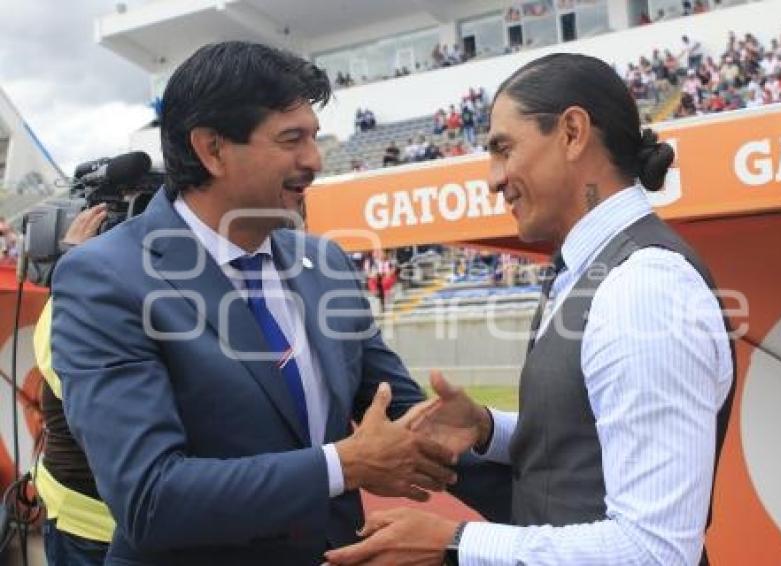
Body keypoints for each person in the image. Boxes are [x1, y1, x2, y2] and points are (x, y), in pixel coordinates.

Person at [49, 41, 460, 565]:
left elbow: (406, 422)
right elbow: (149, 498)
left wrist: (492, 440)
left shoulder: (326, 263)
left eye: (313, 137)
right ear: (211, 150)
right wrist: (342, 465)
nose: (313, 160)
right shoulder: (104, 278)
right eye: (291, 139)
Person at [326, 52, 736, 566]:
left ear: (571, 132)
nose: (493, 179)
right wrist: (485, 429)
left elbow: (655, 551)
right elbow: (592, 438)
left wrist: (453, 542)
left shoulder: (643, 287)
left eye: (503, 149)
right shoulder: (588, 269)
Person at [33, 204, 112, 565]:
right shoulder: (70, 309)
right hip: (89, 523)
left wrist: (74, 263)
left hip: (100, 522)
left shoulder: (70, 305)